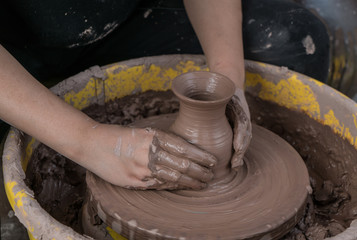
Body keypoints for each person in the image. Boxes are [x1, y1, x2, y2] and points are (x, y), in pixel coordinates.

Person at [0, 0, 329, 189]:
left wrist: (227, 79)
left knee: (292, 43)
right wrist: (88, 140)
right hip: (13, 59)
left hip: (124, 23)